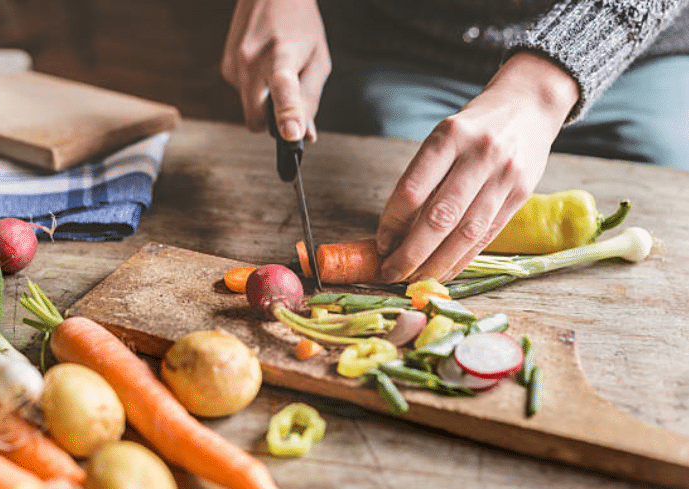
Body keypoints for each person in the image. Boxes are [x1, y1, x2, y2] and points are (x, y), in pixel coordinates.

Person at [220, 0, 689, 283]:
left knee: (670, 184)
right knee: (408, 216)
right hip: (403, 48)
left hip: (630, 53)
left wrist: (542, 88)